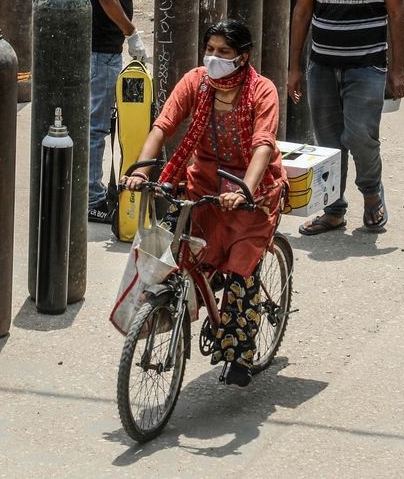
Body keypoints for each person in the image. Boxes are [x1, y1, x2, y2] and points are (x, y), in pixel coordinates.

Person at [122, 20, 285, 387]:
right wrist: (142, 171)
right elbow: (163, 125)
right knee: (174, 252)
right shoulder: (195, 81)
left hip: (251, 193)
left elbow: (263, 145)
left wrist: (244, 191)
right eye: (210, 50)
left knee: (242, 270)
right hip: (205, 185)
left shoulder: (262, 90)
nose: (213, 58)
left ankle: (240, 355)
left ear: (242, 57)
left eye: (223, 52)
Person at [289, 0, 404, 235]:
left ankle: (372, 196)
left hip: (367, 65)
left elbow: (396, 15)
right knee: (326, 141)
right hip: (322, 65)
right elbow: (302, 13)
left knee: (360, 137)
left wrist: (397, 70)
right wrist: (294, 68)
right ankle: (333, 209)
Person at [82, 0, 158, 224]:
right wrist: (131, 32)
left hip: (91, 44)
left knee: (90, 122)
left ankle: (86, 190)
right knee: (96, 126)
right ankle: (91, 198)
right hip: (103, 49)